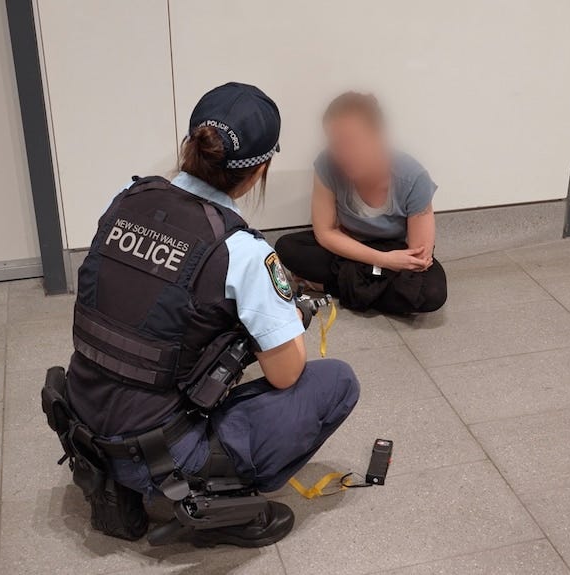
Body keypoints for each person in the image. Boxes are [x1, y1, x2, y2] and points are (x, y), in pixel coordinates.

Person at [45, 83, 359, 548]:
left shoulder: (126, 198)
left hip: (83, 422)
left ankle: (115, 479)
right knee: (337, 382)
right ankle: (217, 507)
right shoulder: (243, 251)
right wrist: (271, 322)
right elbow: (287, 373)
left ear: (190, 144)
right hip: (162, 455)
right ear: (259, 171)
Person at [275, 92, 447, 314]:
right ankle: (366, 288)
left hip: (394, 250)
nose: (343, 153)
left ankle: (329, 287)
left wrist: (390, 259)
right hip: (354, 249)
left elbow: (419, 258)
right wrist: (383, 261)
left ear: (377, 136)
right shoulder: (327, 164)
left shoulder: (413, 177)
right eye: (335, 144)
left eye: (352, 142)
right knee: (287, 248)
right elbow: (325, 233)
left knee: (431, 292)